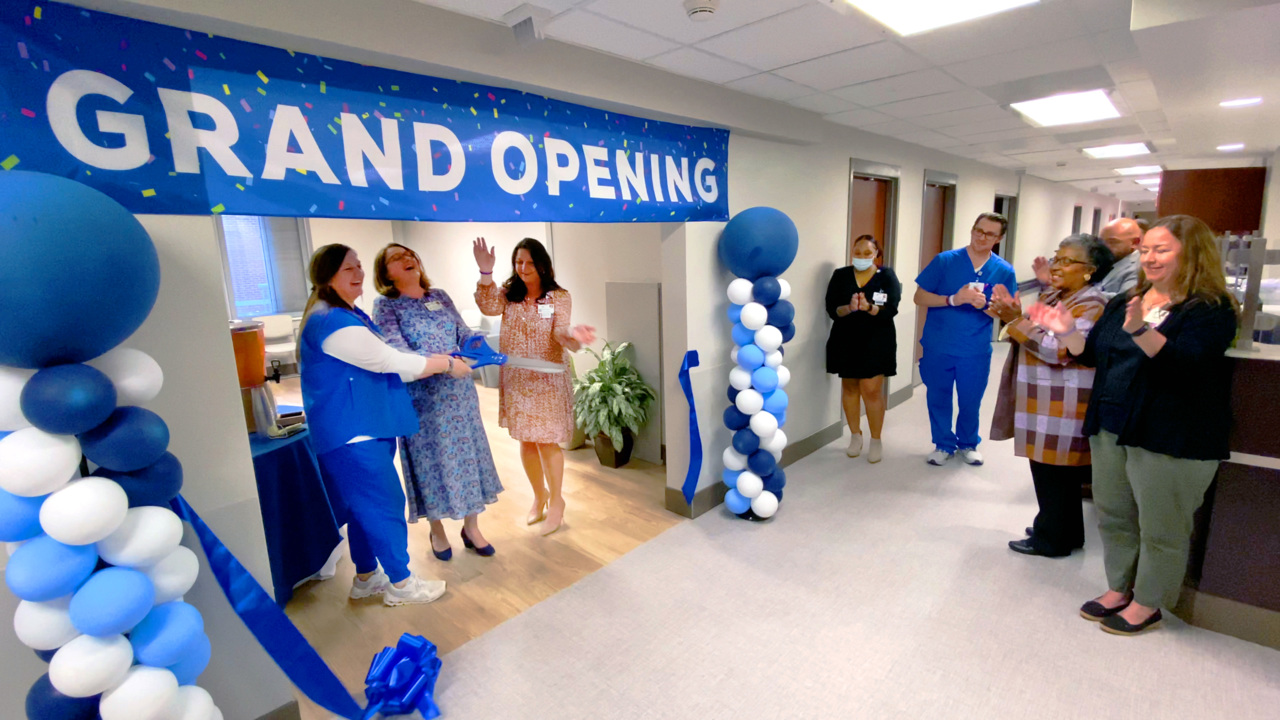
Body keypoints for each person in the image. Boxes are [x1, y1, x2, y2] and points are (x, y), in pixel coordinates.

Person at [1027, 215, 1238, 635]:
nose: (1150, 259)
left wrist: (1140, 329)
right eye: (1145, 251)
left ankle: (1149, 601)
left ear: (1191, 253)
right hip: (1112, 424)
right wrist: (1068, 332)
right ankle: (1119, 587)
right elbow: (1093, 356)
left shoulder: (1210, 308)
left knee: (1162, 525)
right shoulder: (1129, 297)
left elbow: (1185, 367)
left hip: (1169, 434)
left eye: (1161, 250)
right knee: (1114, 514)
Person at [299, 244, 468, 606]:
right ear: (328, 276)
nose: (358, 273)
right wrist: (447, 364)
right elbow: (389, 360)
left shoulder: (347, 312)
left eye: (359, 265)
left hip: (368, 425)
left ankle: (366, 577)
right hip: (352, 431)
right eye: (348, 268)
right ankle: (402, 584)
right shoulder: (331, 320)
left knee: (365, 507)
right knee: (384, 504)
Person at [372, 243, 503, 562]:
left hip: (460, 396)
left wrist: (479, 348)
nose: (407, 259)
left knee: (468, 459)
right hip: (423, 400)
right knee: (432, 465)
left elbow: (462, 332)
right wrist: (443, 362)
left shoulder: (439, 297)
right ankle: (437, 530)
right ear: (385, 273)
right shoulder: (386, 306)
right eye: (396, 258)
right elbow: (396, 352)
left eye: (410, 254)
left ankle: (471, 527)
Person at [990, 235, 1113, 557]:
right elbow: (1035, 325)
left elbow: (1059, 350)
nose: (1057, 266)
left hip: (1063, 404)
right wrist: (1015, 313)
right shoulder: (1062, 295)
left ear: (1090, 270)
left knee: (1054, 472)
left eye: (1067, 261)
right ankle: (1065, 530)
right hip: (1044, 398)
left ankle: (1051, 539)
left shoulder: (1091, 303)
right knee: (1055, 472)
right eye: (1056, 258)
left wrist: (1014, 320)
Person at [473, 237, 595, 535]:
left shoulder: (559, 297)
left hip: (548, 379)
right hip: (517, 379)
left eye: (528, 262)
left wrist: (575, 337)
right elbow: (487, 307)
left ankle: (556, 502)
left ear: (542, 264)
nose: (523, 268)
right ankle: (539, 497)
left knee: (547, 440)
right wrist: (485, 273)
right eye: (518, 262)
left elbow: (561, 332)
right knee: (527, 440)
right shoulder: (508, 294)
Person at [913, 212, 1018, 466]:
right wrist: (953, 299)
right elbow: (919, 297)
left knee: (971, 399)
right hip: (939, 344)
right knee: (938, 396)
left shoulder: (1003, 271)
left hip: (975, 348)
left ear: (999, 238)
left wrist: (986, 307)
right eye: (978, 230)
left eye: (990, 234)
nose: (981, 237)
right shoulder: (945, 261)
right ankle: (943, 444)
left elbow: (1011, 313)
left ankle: (968, 443)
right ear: (972, 229)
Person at [824, 234, 901, 463]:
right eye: (857, 253)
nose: (861, 257)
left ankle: (876, 439)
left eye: (867, 253)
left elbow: (892, 308)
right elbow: (831, 309)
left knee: (871, 390)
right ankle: (855, 436)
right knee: (849, 387)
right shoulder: (841, 275)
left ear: (877, 253)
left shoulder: (886, 276)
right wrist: (849, 307)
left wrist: (869, 308)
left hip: (877, 339)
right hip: (846, 338)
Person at [1095, 218, 1144, 296]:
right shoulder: (1105, 259)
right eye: (1102, 241)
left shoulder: (1139, 267)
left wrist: (1086, 296)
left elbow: (1125, 299)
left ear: (1135, 242)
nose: (1104, 246)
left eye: (1112, 242)